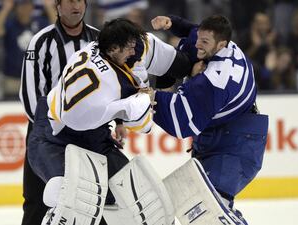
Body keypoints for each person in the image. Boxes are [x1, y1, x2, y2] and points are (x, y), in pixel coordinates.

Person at [28, 18, 177, 225]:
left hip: (77, 126)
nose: (133, 53)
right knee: (70, 196)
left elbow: (102, 103)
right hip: (54, 137)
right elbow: (143, 125)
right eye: (128, 49)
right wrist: (146, 98)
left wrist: (118, 120)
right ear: (114, 48)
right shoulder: (113, 83)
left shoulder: (92, 48)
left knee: (125, 190)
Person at [151, 15, 269, 224]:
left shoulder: (215, 80)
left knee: (210, 212)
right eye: (200, 39)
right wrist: (173, 23)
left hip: (236, 144)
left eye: (204, 42)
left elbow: (181, 120)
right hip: (232, 134)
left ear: (220, 44)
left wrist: (150, 97)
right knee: (209, 210)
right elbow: (195, 31)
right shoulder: (222, 43)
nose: (198, 45)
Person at [19, 0, 100, 224]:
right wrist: (49, 128)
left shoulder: (99, 40)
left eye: (80, 0)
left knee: (95, 199)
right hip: (45, 133)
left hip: (88, 133)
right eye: (70, 0)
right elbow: (30, 94)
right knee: (37, 199)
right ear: (57, 5)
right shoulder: (41, 42)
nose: (76, 5)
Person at [0, 0, 55, 99]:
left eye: (27, 5)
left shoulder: (40, 23)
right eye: (21, 6)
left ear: (32, 7)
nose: (24, 9)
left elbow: (59, 29)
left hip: (36, 81)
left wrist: (49, 7)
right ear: (16, 8)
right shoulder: (10, 24)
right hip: (13, 80)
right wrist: (5, 9)